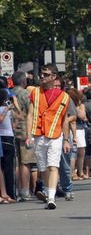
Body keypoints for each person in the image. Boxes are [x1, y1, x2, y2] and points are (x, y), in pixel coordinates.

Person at [25, 64, 74, 209]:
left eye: (46, 74)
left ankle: (51, 198)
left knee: (53, 166)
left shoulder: (64, 97)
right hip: (39, 135)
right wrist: (28, 134)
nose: (42, 77)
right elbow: (30, 115)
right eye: (42, 74)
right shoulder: (35, 93)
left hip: (55, 135)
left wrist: (66, 139)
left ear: (54, 77)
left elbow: (64, 119)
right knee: (43, 168)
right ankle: (48, 192)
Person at [11, 71, 37, 201]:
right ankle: (25, 190)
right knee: (25, 162)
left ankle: (15, 189)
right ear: (23, 81)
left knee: (15, 162)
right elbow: (32, 112)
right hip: (24, 131)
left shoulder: (9, 93)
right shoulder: (25, 94)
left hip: (11, 131)